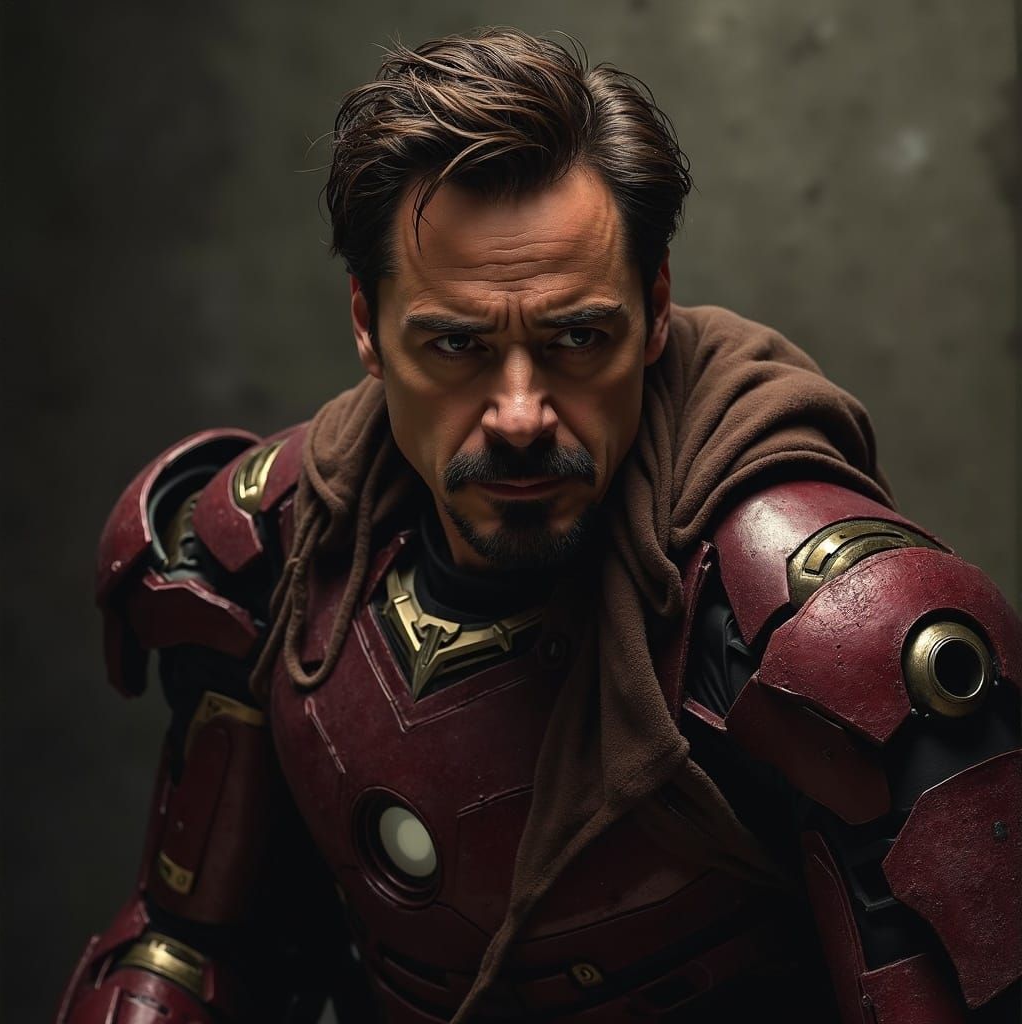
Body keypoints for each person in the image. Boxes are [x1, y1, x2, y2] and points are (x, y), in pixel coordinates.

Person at [57, 27, 1020, 1024]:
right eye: (457, 345)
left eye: (576, 338)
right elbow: (189, 949)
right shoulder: (276, 556)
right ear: (367, 326)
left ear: (654, 310)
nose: (519, 415)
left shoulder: (820, 634)